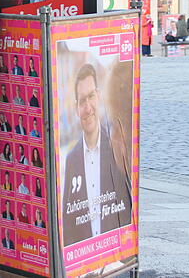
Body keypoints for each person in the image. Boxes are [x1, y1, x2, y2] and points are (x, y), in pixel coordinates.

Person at [61, 64, 132, 246]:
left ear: (99, 97)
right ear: (76, 108)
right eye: (82, 101)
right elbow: (68, 222)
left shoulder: (116, 147)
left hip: (113, 255)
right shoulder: (71, 159)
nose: (88, 108)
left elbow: (127, 206)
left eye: (91, 96)